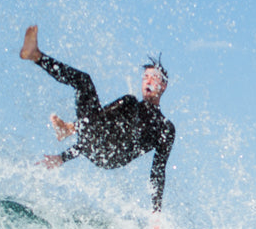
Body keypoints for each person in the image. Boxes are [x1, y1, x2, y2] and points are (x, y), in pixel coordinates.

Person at [20, 25, 176, 213]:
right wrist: (62, 158)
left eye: (154, 78)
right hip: (93, 142)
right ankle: (35, 55)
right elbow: (96, 131)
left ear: (164, 85)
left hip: (112, 156)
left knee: (128, 101)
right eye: (145, 77)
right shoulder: (130, 107)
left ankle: (71, 128)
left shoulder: (165, 128)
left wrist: (156, 212)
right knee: (84, 81)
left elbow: (158, 170)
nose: (148, 81)